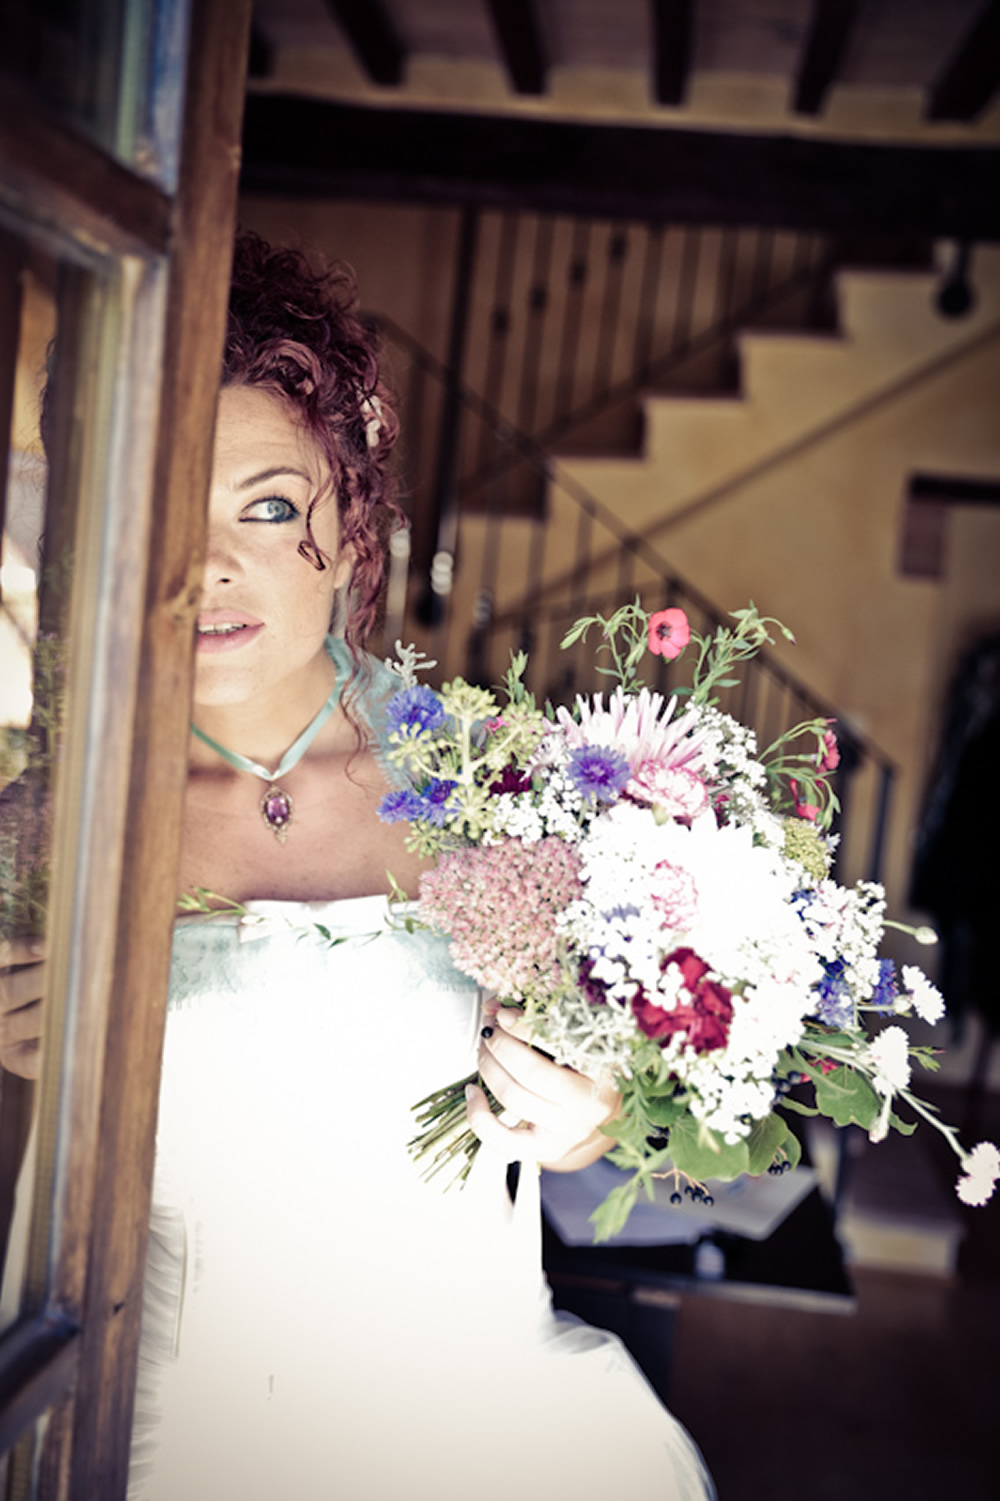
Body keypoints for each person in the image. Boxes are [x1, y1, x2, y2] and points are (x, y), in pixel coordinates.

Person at [1, 232, 714, 1500]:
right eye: (160, 505)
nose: (208, 562)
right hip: (167, 1431)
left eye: (267, 506)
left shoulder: (513, 784)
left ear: (355, 507)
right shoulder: (52, 816)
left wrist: (595, 1115)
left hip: (479, 1422)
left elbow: (661, 1103)